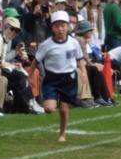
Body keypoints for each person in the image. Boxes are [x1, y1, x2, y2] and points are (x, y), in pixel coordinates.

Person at [31, 10, 87, 142]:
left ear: (68, 27)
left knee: (63, 110)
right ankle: (54, 100)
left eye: (63, 26)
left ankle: (62, 134)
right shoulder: (46, 45)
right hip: (52, 78)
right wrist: (30, 75)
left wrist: (84, 72)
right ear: (52, 28)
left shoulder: (73, 43)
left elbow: (79, 59)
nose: (60, 29)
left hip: (68, 79)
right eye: (57, 26)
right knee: (49, 108)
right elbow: (36, 60)